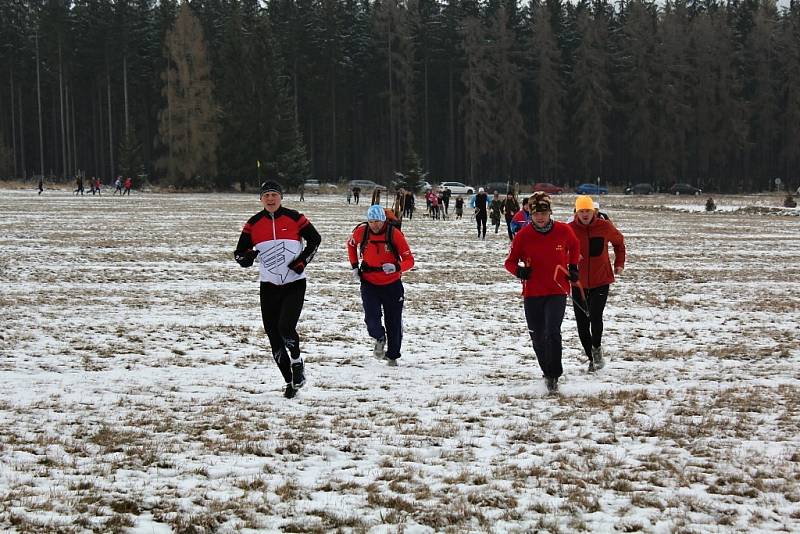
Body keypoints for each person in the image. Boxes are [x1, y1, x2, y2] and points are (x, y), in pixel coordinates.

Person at [234, 180, 322, 398]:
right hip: (269, 287)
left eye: (274, 195)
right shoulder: (253, 223)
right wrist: (246, 258)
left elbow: (315, 240)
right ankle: (290, 381)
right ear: (261, 199)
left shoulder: (294, 217)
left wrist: (302, 261)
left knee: (285, 327)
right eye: (266, 195)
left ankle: (297, 361)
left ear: (281, 197)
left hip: (294, 283)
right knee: (274, 337)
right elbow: (239, 253)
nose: (270, 199)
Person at [504, 192, 580, 394]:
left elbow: (575, 246)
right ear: (531, 214)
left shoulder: (563, 231)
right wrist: (519, 271)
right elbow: (509, 262)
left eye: (544, 213)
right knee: (538, 336)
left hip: (557, 290)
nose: (540, 217)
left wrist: (573, 268)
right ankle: (546, 371)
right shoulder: (523, 236)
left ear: (550, 212)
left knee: (552, 331)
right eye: (536, 213)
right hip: (533, 293)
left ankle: (554, 374)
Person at [347, 205, 414, 366]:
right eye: (371, 221)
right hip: (369, 282)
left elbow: (409, 260)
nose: (374, 225)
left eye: (377, 221)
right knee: (371, 317)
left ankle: (392, 356)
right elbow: (350, 244)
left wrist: (396, 267)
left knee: (393, 321)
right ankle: (379, 337)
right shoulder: (362, 231)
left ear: (383, 220)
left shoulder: (394, 234)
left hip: (392, 284)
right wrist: (355, 266)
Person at [568, 195, 626, 373]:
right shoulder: (569, 229)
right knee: (582, 324)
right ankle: (591, 357)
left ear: (594, 211)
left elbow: (619, 243)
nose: (585, 214)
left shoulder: (604, 226)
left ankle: (597, 347)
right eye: (581, 211)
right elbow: (559, 249)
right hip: (578, 283)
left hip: (601, 279)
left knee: (595, 316)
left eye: (588, 211)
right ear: (576, 212)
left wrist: (619, 263)